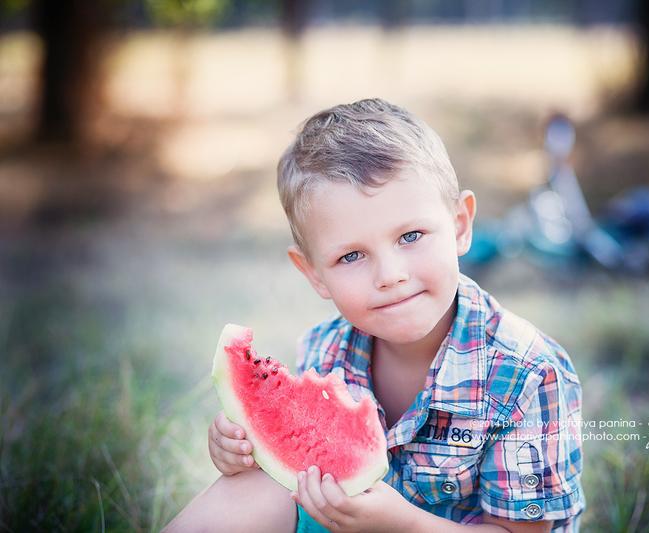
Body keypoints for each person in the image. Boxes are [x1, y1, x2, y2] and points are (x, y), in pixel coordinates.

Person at [164, 99, 584, 533]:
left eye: (411, 236)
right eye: (351, 256)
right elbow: (298, 473)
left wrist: (402, 524)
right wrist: (240, 449)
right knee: (254, 486)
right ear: (314, 274)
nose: (390, 276)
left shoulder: (528, 375)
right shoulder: (325, 350)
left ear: (460, 226)